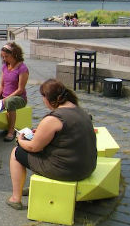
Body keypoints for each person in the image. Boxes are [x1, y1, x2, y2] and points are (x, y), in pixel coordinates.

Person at [7, 78, 97, 210]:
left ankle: (15, 198)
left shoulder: (54, 118)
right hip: (87, 167)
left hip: (67, 171)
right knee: (44, 150)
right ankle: (35, 187)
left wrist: (20, 141)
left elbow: (34, 147)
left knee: (17, 153)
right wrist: (42, 132)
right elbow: (67, 135)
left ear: (47, 98)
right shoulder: (79, 110)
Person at [0, 42, 29, 142]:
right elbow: (2, 85)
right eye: (2, 57)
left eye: (6, 56)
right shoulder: (5, 66)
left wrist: (5, 99)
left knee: (9, 102)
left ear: (14, 55)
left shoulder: (22, 68)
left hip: (18, 98)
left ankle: (11, 131)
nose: (4, 59)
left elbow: (20, 90)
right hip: (4, 96)